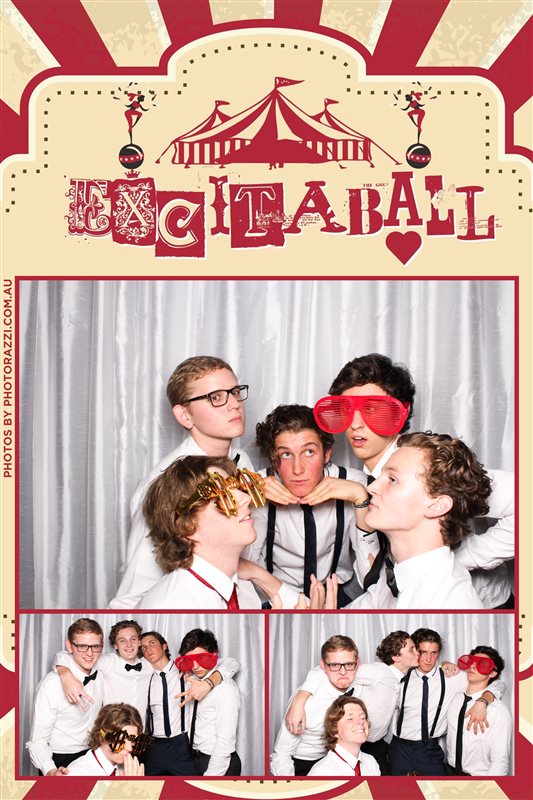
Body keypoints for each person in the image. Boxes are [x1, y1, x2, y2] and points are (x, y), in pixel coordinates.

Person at [322, 353, 514, 607]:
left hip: (477, 605)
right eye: (347, 410)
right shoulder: (365, 481)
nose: (356, 424)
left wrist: (460, 558)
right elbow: (372, 573)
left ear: (401, 412)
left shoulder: (431, 464)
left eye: (372, 410)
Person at [110, 356, 253, 608]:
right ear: (185, 415)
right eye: (216, 397)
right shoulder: (164, 485)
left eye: (234, 392)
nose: (234, 404)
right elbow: (132, 597)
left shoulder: (242, 461)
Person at [346, 432, 492, 608]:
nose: (371, 488)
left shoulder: (448, 604)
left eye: (392, 479)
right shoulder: (398, 573)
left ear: (436, 506)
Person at [136, 456, 300, 609]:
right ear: (187, 526)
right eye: (223, 497)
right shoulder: (171, 605)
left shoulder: (245, 591)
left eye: (237, 489)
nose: (246, 499)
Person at [243, 404, 367, 605]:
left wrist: (360, 499)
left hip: (337, 594)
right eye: (286, 454)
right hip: (276, 595)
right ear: (273, 459)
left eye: (309, 452)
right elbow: (244, 565)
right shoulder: (257, 486)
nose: (297, 469)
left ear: (327, 454)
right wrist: (248, 497)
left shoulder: (354, 484)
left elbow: (369, 575)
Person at [282, 630, 420, 774]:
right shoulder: (379, 672)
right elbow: (327, 671)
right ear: (396, 656)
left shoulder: (400, 680)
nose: (418, 653)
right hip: (355, 743)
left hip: (375, 745)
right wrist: (300, 699)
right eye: (412, 650)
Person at [389, 628, 505, 776]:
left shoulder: (451, 677)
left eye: (434, 653)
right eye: (424, 652)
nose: (428, 659)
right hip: (400, 749)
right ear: (416, 651)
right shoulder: (401, 677)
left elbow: (498, 684)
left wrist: (483, 700)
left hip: (429, 750)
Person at [140, 631, 239, 776]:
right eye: (143, 647)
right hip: (190, 754)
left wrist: (209, 683)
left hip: (214, 760)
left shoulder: (224, 687)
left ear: (164, 646)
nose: (196, 666)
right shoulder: (190, 676)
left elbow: (232, 663)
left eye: (152, 643)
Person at [270, 635, 360, 776]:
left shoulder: (359, 682)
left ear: (357, 663)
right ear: (323, 666)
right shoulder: (306, 702)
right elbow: (282, 753)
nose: (343, 672)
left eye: (349, 664)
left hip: (338, 759)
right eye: (334, 665)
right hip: (303, 764)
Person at [26, 618, 104, 775]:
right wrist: (51, 771)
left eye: (95, 646)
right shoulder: (51, 685)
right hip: (59, 760)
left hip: (90, 756)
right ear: (69, 646)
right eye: (82, 646)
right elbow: (38, 741)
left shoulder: (101, 673)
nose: (90, 653)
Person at [177, 628, 241, 775]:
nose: (195, 666)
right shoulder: (193, 679)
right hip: (196, 758)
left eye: (201, 658)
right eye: (190, 660)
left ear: (214, 655)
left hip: (218, 762)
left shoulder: (225, 687)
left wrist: (212, 776)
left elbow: (225, 741)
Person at [445, 646, 511, 775]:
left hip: (477, 778)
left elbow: (500, 761)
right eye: (472, 661)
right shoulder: (455, 698)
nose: (473, 666)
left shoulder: (498, 711)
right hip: (448, 772)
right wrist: (444, 663)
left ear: (492, 673)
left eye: (482, 664)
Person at [65, 703, 148, 776]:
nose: (129, 748)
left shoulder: (127, 768)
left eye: (133, 740)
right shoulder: (78, 773)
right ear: (101, 737)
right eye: (121, 740)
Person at [307, 697, 380, 776]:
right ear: (334, 729)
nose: (361, 722)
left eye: (363, 717)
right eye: (350, 718)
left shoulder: (371, 762)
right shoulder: (321, 772)